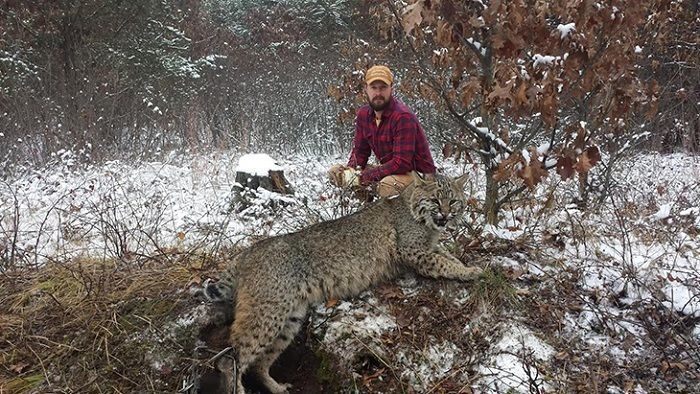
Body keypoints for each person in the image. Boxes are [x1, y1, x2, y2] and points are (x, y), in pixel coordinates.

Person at [329, 65, 436, 198]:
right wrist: (351, 171)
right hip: (392, 171)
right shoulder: (363, 115)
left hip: (420, 177)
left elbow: (402, 163)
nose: (378, 93)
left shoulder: (402, 117)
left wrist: (363, 178)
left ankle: (390, 215)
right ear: (366, 89)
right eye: (374, 88)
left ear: (391, 88)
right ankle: (365, 207)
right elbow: (360, 152)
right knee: (336, 173)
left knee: (387, 186)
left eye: (383, 88)